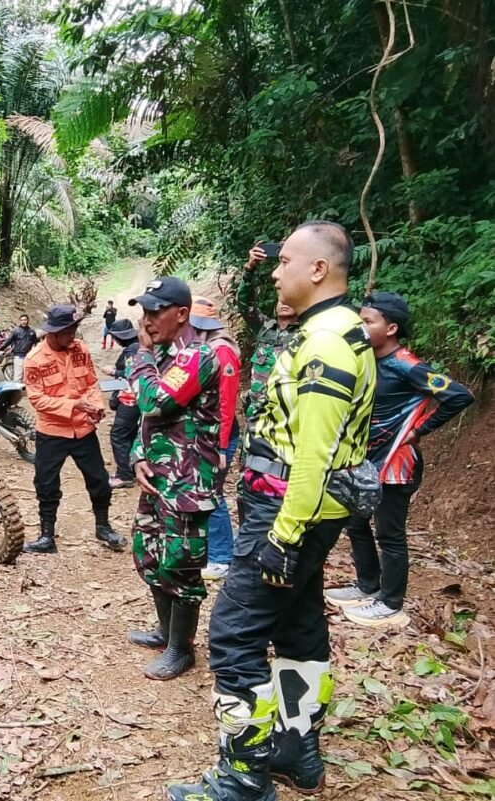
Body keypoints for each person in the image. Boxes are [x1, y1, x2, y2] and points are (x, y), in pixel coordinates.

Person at [167, 221, 376, 801]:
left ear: (317, 270)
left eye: (285, 261)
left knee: (234, 636)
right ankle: (296, 752)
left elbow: (315, 452)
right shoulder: (332, 328)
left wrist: (283, 535)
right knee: (299, 625)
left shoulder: (328, 341)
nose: (277, 270)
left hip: (289, 509)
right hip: (303, 507)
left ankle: (243, 777)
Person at [325, 292, 473, 627]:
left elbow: (459, 395)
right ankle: (367, 585)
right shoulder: (366, 359)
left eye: (368, 321)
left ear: (391, 327)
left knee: (389, 534)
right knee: (356, 523)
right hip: (366, 460)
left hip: (396, 464)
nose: (361, 327)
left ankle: (390, 603)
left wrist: (420, 429)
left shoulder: (408, 365)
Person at [123, 278, 220, 680]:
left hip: (186, 482)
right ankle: (166, 633)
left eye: (155, 311)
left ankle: (182, 649)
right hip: (157, 477)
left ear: (181, 314)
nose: (147, 320)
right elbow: (148, 419)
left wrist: (141, 355)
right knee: (148, 553)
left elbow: (155, 400)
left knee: (181, 564)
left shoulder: (198, 357)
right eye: (144, 311)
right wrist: (137, 457)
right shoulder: (161, 356)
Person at [21, 303, 126, 555]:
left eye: (74, 329)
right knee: (46, 484)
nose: (72, 335)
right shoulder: (34, 360)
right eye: (68, 331)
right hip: (52, 432)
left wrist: (96, 406)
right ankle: (47, 536)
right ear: (52, 332)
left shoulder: (80, 350)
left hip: (83, 430)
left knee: (99, 480)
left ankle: (103, 526)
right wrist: (74, 404)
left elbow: (91, 382)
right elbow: (38, 400)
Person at [189, 297, 243, 581]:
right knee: (204, 491)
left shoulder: (222, 352)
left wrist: (220, 446)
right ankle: (211, 549)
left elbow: (225, 403)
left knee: (214, 494)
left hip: (219, 435)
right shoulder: (205, 348)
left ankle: (221, 556)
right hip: (206, 433)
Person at [240, 244, 300, 428]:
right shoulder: (265, 327)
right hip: (254, 413)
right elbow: (244, 303)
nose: (284, 303)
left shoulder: (304, 334)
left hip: (283, 419)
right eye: (280, 300)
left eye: (289, 300)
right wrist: (249, 269)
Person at [100, 318, 141, 489]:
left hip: (130, 400)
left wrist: (113, 372)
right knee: (129, 435)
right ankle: (129, 470)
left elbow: (132, 373)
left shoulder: (132, 350)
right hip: (137, 399)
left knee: (118, 435)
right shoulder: (139, 347)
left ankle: (124, 475)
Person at [1, 313, 38, 380]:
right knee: (18, 377)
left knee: (27, 377)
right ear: (20, 321)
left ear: (28, 321)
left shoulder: (32, 332)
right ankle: (16, 390)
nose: (24, 321)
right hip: (19, 356)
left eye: (25, 320)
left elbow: (35, 342)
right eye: (22, 320)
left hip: (28, 357)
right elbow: (9, 340)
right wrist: (1, 348)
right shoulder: (16, 330)